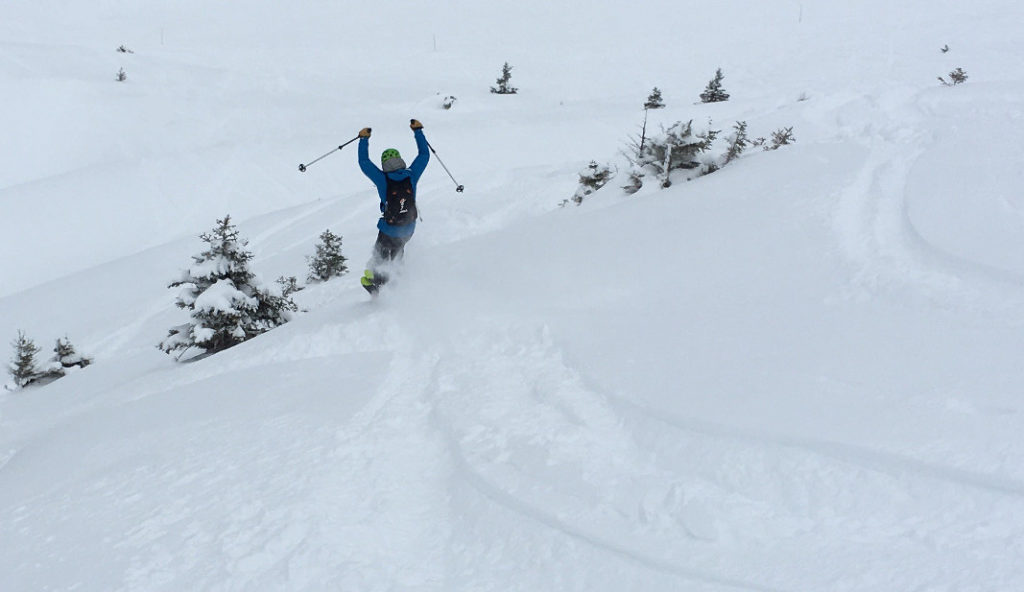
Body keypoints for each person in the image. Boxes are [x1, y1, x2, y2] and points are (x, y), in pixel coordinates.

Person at [356, 119, 430, 294]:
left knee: (379, 256)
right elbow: (424, 155)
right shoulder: (411, 175)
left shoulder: (383, 179)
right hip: (409, 228)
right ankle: (398, 283)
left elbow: (364, 162)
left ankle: (376, 285)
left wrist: (363, 139)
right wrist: (418, 131)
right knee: (398, 251)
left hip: (390, 229)